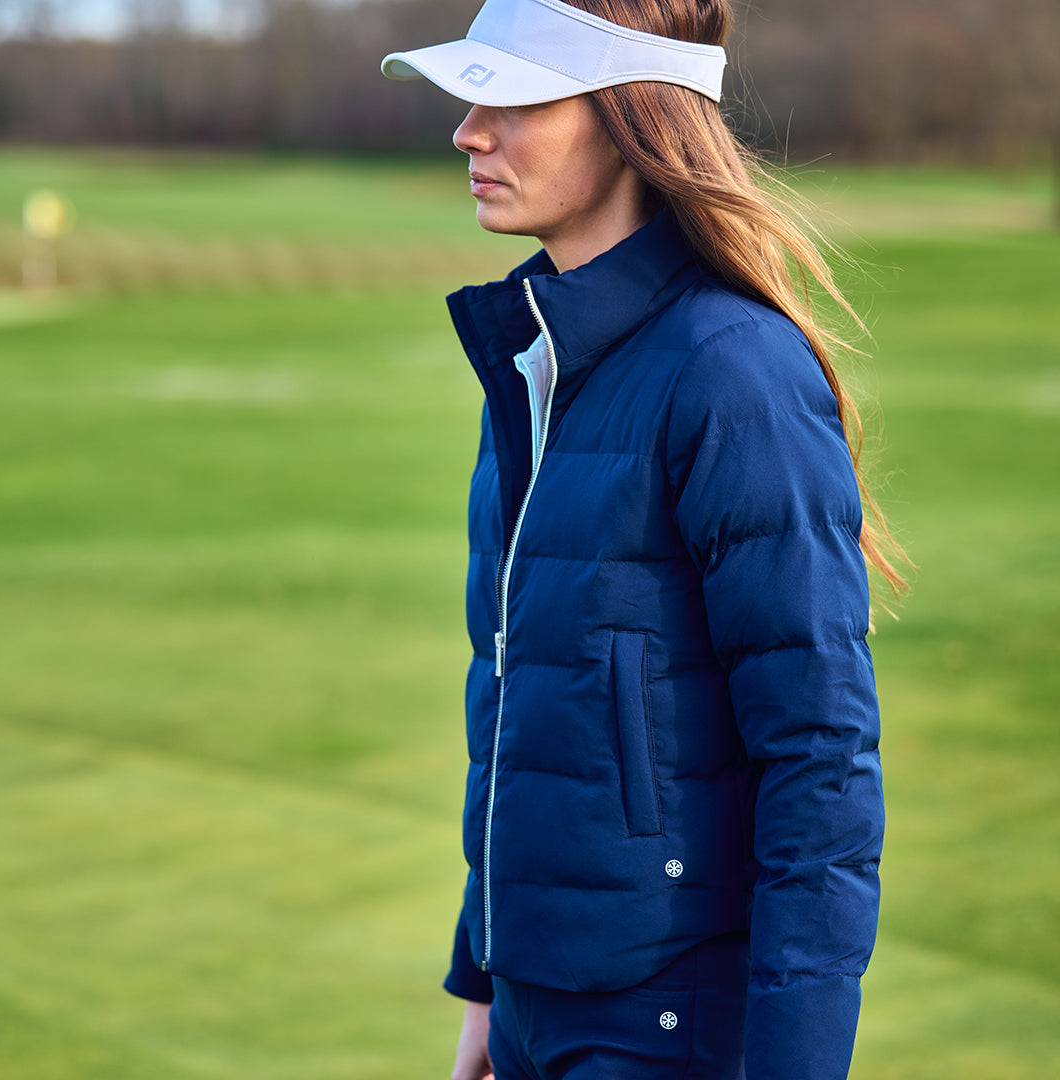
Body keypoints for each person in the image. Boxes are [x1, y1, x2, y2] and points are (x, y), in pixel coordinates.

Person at [382, 1, 907, 1077]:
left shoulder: (731, 371)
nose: (468, 132)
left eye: (513, 98)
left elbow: (820, 759)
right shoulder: (537, 358)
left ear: (631, 115)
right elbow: (523, 704)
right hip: (539, 1006)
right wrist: (485, 977)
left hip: (664, 1025)